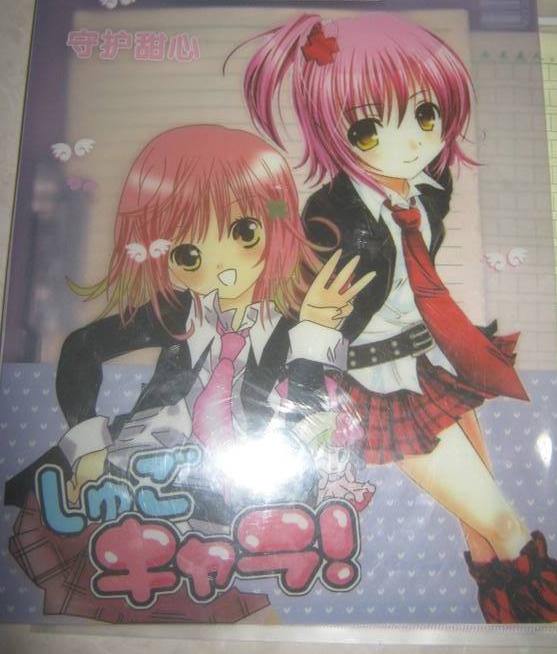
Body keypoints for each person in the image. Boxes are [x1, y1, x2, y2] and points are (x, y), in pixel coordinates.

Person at [236, 12, 557, 624]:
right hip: (376, 382)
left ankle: (502, 614)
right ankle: (543, 604)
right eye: (368, 129)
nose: (412, 142)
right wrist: (275, 403)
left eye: (425, 115)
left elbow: (419, 254)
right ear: (334, 130)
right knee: (502, 521)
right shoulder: (330, 218)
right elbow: (297, 312)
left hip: (433, 357)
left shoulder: (427, 189)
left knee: (478, 523)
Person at [5, 123, 374, 623]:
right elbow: (82, 347)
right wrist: (89, 442)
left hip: (246, 494)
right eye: (189, 254)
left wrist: (313, 332)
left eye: (245, 234)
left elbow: (311, 417)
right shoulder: (178, 311)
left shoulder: (296, 323)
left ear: (278, 224)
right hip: (147, 472)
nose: (223, 269)